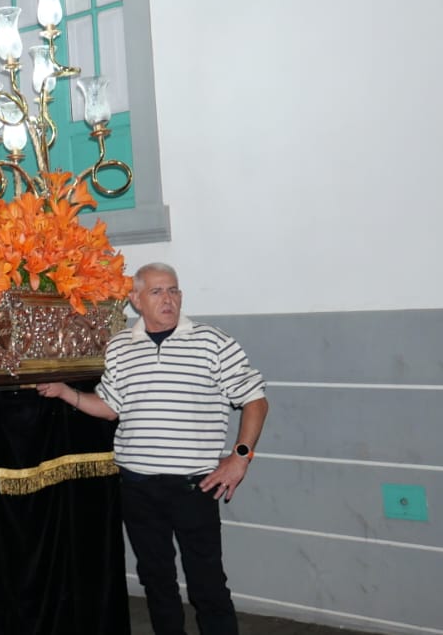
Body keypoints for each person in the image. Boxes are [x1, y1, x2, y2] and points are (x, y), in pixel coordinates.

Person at [36, 262, 268, 635]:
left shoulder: (213, 341)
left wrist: (240, 458)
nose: (169, 299)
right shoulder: (120, 347)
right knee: (157, 583)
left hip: (195, 486)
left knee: (207, 584)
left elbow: (255, 400)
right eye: (157, 291)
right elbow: (111, 407)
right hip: (137, 486)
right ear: (135, 300)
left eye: (174, 290)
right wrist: (68, 393)